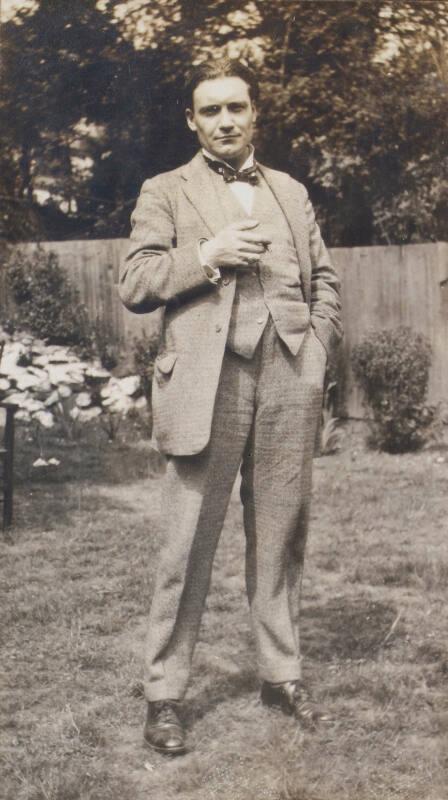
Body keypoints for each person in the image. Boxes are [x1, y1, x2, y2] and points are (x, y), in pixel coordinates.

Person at [119, 57, 342, 756]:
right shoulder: (167, 190)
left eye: (235, 108)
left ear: (254, 114)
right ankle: (165, 695)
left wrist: (317, 351)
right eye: (210, 111)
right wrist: (207, 253)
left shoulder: (290, 191)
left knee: (281, 537)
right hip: (205, 386)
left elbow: (324, 277)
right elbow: (135, 281)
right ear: (193, 120)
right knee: (186, 545)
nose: (224, 121)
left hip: (286, 380)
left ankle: (281, 673)